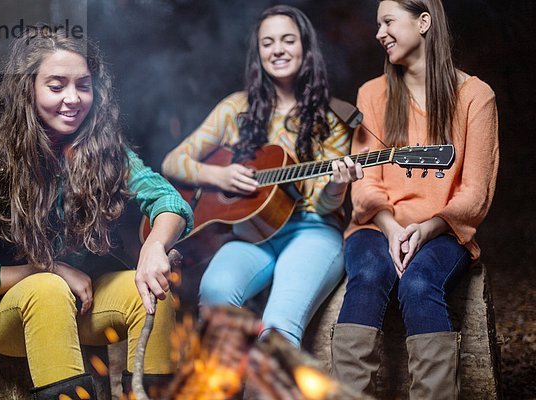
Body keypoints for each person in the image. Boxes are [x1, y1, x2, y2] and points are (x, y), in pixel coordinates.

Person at [0, 26, 193, 399]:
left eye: (83, 85)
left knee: (149, 291)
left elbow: (169, 201)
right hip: (10, 315)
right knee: (47, 289)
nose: (73, 98)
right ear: (27, 90)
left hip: (82, 305)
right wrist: (49, 267)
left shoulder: (103, 150)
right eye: (56, 85)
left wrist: (154, 247)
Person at [162, 5, 363, 348]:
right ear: (258, 53)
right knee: (214, 292)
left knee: (279, 325)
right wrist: (219, 176)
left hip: (311, 231)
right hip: (251, 234)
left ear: (306, 48)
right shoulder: (234, 107)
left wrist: (337, 184)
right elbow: (172, 162)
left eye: (288, 40)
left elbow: (326, 205)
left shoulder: (334, 116)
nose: (278, 50)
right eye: (267, 42)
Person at [330, 1, 499, 399]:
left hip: (443, 230)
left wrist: (426, 227)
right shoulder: (372, 94)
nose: (379, 33)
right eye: (377, 24)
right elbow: (366, 184)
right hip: (376, 225)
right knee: (369, 276)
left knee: (420, 283)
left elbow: (475, 193)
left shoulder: (476, 97)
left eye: (388, 21)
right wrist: (391, 228)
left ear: (423, 22)